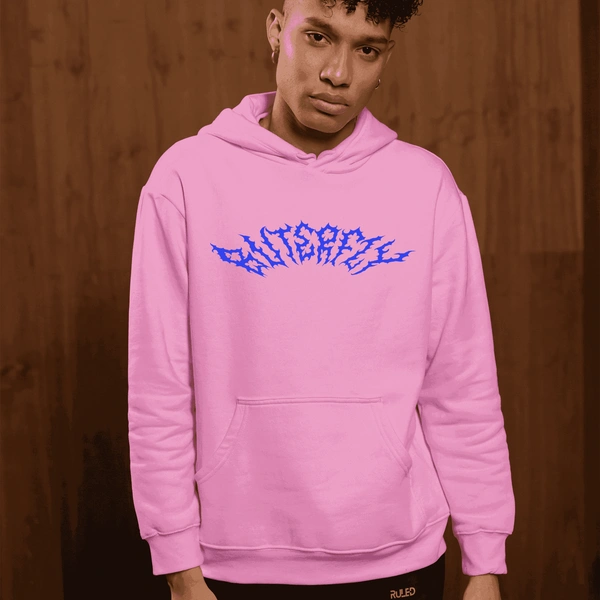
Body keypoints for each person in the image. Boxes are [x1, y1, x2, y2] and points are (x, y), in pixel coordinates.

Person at [127, 1, 516, 599]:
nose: (338, 73)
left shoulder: (425, 187)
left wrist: (485, 560)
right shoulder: (186, 179)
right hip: (230, 565)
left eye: (367, 49)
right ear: (275, 28)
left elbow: (462, 387)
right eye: (317, 37)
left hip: (398, 559)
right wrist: (178, 564)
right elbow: (160, 388)